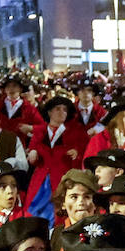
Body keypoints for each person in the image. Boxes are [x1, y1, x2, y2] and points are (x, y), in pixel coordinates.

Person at [24, 94, 86, 224]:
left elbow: (83, 156)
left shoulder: (75, 132)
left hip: (62, 181)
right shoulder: (39, 132)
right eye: (58, 109)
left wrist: (76, 154)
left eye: (64, 109)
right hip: (40, 181)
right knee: (33, 213)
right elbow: (32, 157)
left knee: (59, 216)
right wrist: (33, 155)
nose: (62, 112)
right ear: (49, 112)